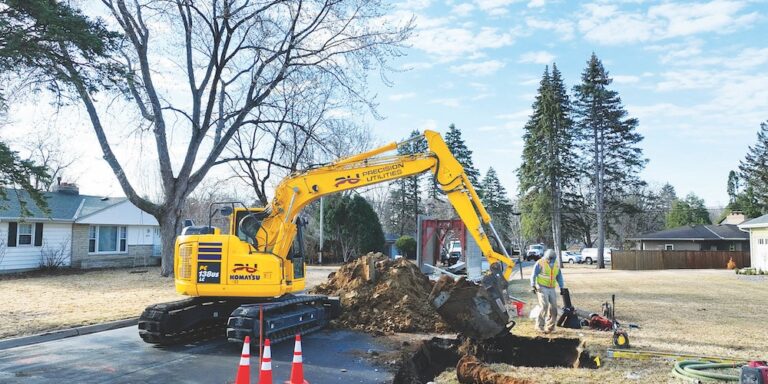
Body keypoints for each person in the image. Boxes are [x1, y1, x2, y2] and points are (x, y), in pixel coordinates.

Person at [530, 249, 565, 334]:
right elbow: (533, 275)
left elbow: (559, 276)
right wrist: (533, 285)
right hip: (541, 287)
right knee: (544, 306)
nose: (550, 261)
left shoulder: (556, 264)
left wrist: (562, 287)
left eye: (552, 259)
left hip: (551, 288)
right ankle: (539, 326)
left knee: (554, 308)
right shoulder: (540, 263)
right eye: (549, 259)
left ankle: (550, 327)